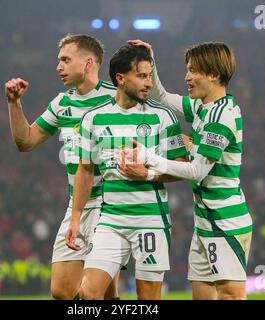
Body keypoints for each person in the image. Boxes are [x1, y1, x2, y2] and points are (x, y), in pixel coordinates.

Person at [121, 40, 253, 300]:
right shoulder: (203, 108)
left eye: (193, 70)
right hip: (205, 223)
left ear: (214, 75)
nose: (187, 76)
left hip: (225, 222)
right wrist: (152, 59)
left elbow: (196, 172)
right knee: (201, 295)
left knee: (230, 295)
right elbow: (162, 97)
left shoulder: (221, 117)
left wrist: (149, 158)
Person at [65, 45, 187, 300]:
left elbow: (182, 167)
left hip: (150, 220)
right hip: (111, 220)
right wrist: (76, 218)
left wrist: (148, 173)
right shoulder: (93, 118)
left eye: (150, 75)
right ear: (120, 79)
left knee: (148, 301)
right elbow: (85, 170)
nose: (148, 82)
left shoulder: (162, 116)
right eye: (142, 76)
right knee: (88, 295)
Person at [5, 34, 120, 300]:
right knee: (61, 292)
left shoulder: (116, 99)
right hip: (77, 205)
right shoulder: (62, 103)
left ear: (88, 63)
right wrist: (14, 104)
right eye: (59, 60)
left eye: (66, 60)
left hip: (111, 204)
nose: (59, 67)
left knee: (94, 292)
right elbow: (26, 141)